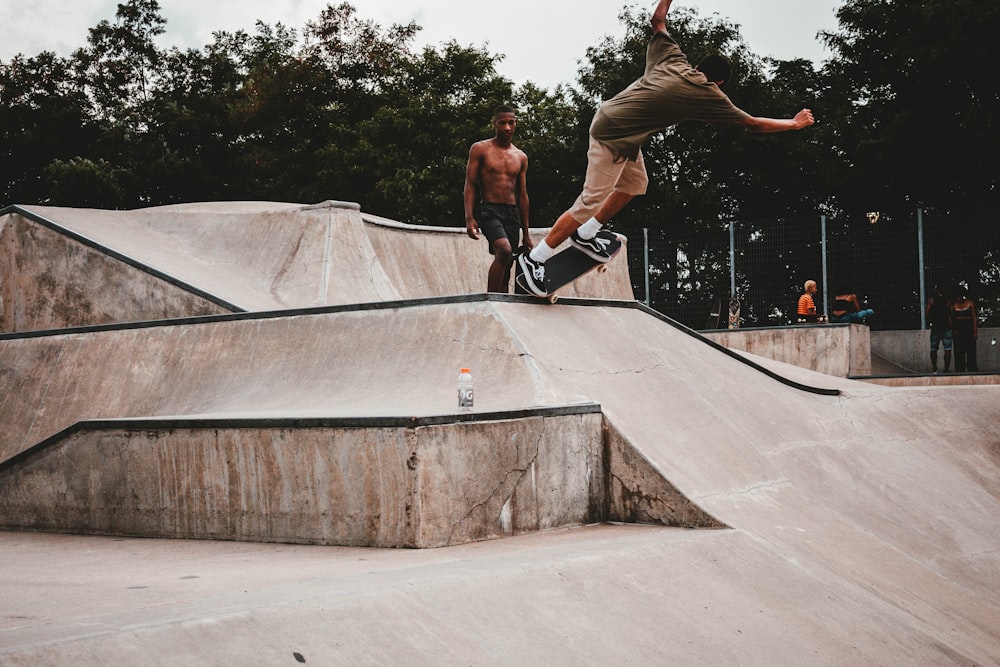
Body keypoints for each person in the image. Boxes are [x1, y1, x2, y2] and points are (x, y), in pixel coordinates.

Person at [515, 0, 815, 296]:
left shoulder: (673, 57)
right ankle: (534, 259)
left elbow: (657, 19)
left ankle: (587, 233)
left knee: (635, 183)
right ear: (720, 82)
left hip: (613, 122)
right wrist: (793, 123)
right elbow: (753, 124)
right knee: (589, 201)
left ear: (698, 66)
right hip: (613, 137)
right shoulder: (708, 94)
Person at [464, 104, 532, 293]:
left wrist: (525, 233)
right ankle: (491, 301)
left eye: (511, 123)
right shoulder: (480, 149)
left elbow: (523, 196)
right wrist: (469, 217)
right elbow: (470, 183)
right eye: (503, 123)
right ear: (495, 124)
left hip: (512, 213)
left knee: (507, 264)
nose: (507, 127)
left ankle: (503, 305)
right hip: (489, 210)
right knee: (504, 250)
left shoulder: (521, 157)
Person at [950, 285, 979, 372]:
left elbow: (974, 317)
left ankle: (972, 367)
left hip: (969, 328)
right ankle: (960, 368)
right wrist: (954, 330)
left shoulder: (970, 303)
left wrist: (975, 330)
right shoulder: (953, 305)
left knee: (971, 349)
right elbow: (951, 319)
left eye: (961, 296)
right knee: (959, 350)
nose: (960, 298)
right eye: (958, 296)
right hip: (958, 329)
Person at [925, 284, 952, 373]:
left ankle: (934, 368)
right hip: (946, 326)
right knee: (947, 348)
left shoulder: (932, 300)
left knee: (933, 348)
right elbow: (951, 314)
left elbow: (927, 313)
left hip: (936, 327)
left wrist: (931, 320)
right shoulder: (948, 301)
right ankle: (946, 369)